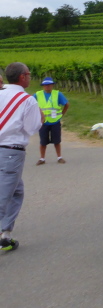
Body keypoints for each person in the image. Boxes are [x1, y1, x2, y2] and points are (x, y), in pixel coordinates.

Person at [0, 62, 42, 251]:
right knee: (4, 196)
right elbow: (31, 128)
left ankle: (6, 234)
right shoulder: (27, 100)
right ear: (23, 76)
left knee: (16, 191)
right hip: (11, 151)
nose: (30, 77)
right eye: (29, 74)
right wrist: (40, 117)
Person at [34, 76, 70, 165]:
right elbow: (30, 104)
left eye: (49, 85)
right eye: (45, 85)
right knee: (43, 141)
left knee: (57, 141)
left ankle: (59, 157)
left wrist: (62, 114)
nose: (47, 86)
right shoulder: (37, 95)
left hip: (55, 121)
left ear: (52, 85)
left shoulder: (57, 94)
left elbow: (66, 104)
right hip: (43, 122)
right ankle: (42, 158)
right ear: (43, 86)